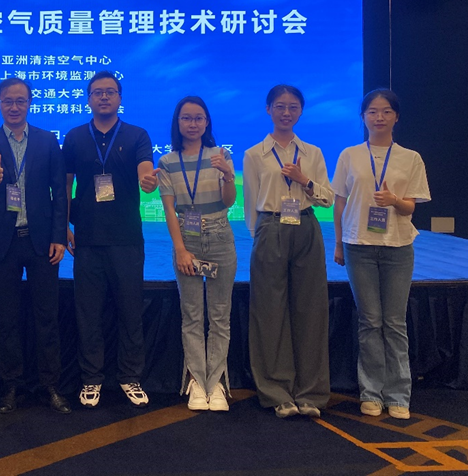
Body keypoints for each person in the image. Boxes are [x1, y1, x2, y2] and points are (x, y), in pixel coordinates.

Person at [0, 77, 70, 415]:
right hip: (3, 243)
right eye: (7, 101)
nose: (14, 107)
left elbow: (60, 193)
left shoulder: (47, 140)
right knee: (7, 319)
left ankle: (50, 385)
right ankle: (11, 386)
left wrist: (59, 236)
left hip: (42, 241)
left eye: (20, 101)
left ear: (29, 103)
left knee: (47, 316)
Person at [64, 70, 159, 409]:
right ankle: (91, 379)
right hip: (87, 238)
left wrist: (148, 181)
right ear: (88, 99)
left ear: (120, 98)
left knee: (130, 310)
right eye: (97, 92)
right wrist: (63, 227)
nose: (104, 97)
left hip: (126, 237)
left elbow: (145, 170)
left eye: (110, 92)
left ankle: (130, 376)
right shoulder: (75, 136)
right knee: (88, 313)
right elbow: (65, 185)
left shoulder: (137, 135)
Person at [332, 89, 430, 420]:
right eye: (372, 111)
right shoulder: (349, 155)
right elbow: (340, 202)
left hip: (398, 247)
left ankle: (399, 394)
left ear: (396, 117)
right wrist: (338, 243)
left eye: (386, 111)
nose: (379, 117)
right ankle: (371, 392)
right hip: (358, 246)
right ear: (363, 117)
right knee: (370, 320)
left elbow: (411, 206)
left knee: (394, 322)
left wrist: (394, 201)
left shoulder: (410, 158)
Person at [243, 84, 334, 419]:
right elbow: (251, 204)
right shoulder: (254, 154)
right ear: (268, 109)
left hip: (306, 226)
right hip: (271, 226)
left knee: (311, 309)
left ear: (300, 111)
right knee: (269, 311)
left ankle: (311, 393)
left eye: (293, 107)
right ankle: (276, 392)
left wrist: (303, 179)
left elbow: (327, 198)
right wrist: (261, 237)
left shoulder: (312, 153)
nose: (286, 112)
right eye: (279, 106)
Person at [158, 96, 237, 412]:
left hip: (219, 235)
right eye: (186, 118)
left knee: (219, 314)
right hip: (186, 238)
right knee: (192, 315)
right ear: (177, 123)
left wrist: (228, 175)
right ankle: (196, 381)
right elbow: (168, 209)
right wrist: (180, 250)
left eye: (199, 118)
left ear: (207, 122)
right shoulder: (167, 162)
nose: (193, 124)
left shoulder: (220, 155)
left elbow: (229, 201)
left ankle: (215, 383)